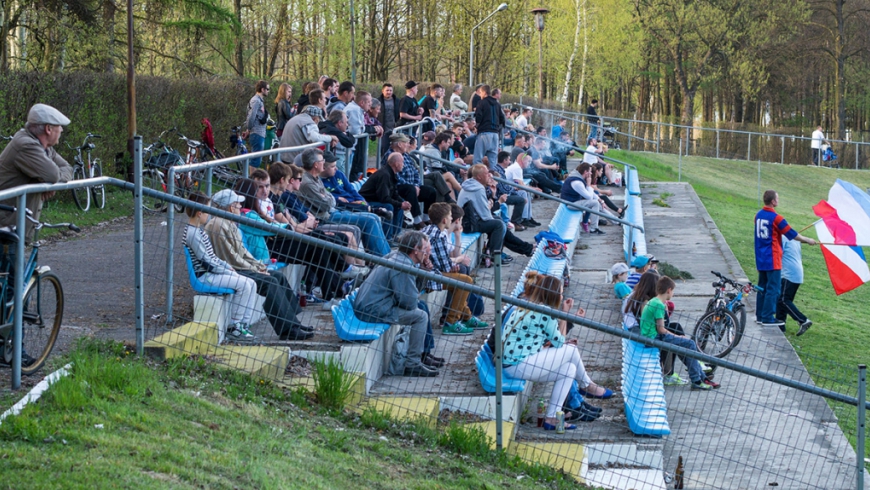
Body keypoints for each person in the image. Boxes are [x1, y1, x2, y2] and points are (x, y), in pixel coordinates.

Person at [501, 274, 612, 429]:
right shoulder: (545, 312)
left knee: (569, 370)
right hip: (518, 365)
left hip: (515, 363)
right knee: (571, 349)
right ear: (553, 294)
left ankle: (552, 418)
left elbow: (554, 341)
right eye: (560, 293)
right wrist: (564, 314)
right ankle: (587, 385)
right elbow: (559, 341)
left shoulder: (529, 305)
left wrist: (563, 316)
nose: (562, 296)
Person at [205, 189, 314, 340]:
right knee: (269, 281)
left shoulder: (229, 223)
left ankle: (293, 323)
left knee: (277, 276)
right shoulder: (218, 225)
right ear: (230, 207)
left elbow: (242, 252)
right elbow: (232, 258)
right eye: (237, 204)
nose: (240, 208)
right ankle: (287, 329)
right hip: (231, 270)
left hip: (238, 267)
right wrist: (255, 269)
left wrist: (258, 266)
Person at [354, 231, 440, 377]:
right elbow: (410, 303)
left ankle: (422, 355)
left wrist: (424, 272)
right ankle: (413, 364)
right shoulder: (402, 266)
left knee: (421, 308)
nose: (427, 253)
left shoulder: (397, 256)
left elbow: (410, 295)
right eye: (425, 249)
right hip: (372, 310)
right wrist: (420, 277)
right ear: (415, 249)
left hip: (371, 304)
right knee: (421, 316)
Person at [183, 192, 258, 343]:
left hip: (213, 272)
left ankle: (244, 324)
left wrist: (227, 266)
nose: (209, 215)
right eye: (208, 211)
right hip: (206, 277)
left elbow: (212, 257)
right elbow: (206, 262)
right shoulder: (193, 234)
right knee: (243, 284)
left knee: (251, 283)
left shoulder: (199, 231)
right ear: (199, 213)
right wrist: (226, 270)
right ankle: (234, 327)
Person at [296, 148, 391, 256]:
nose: (324, 162)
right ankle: (383, 261)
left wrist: (328, 197)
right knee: (369, 220)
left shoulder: (315, 177)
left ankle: (387, 256)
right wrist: (328, 198)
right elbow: (326, 205)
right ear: (316, 165)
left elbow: (330, 198)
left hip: (333, 211)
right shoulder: (307, 183)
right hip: (325, 217)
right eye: (322, 160)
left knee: (374, 217)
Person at [0, 104, 73, 241]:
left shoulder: (44, 147)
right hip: (6, 225)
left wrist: (48, 183)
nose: (61, 130)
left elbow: (67, 167)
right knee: (12, 261)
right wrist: (49, 180)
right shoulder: (27, 145)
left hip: (15, 224)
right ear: (48, 129)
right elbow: (52, 175)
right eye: (59, 126)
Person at [639, 276, 720, 390]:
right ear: (669, 290)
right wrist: (677, 336)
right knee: (690, 343)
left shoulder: (654, 301)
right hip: (654, 338)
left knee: (686, 344)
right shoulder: (659, 305)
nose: (672, 294)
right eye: (673, 291)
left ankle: (701, 377)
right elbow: (661, 330)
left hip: (649, 336)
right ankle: (697, 380)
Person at [421, 203, 488, 334]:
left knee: (461, 279)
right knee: (465, 281)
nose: (452, 219)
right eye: (450, 216)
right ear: (444, 220)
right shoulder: (438, 236)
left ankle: (466, 316)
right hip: (428, 276)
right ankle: (450, 322)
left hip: (432, 272)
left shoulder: (428, 229)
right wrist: (457, 261)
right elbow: (446, 266)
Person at [754, 190, 816, 329]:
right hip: (773, 258)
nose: (778, 200)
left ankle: (760, 316)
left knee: (762, 287)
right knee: (774, 289)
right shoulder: (777, 218)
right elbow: (792, 234)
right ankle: (768, 317)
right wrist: (808, 240)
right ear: (773, 201)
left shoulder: (758, 216)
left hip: (761, 258)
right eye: (777, 198)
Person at [359, 152, 409, 240]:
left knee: (399, 205)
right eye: (402, 162)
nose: (403, 165)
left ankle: (395, 234)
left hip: (376, 200)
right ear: (396, 164)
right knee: (388, 207)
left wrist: (403, 202)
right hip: (366, 202)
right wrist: (400, 204)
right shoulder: (384, 175)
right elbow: (384, 198)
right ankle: (387, 237)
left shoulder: (390, 173)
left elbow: (394, 194)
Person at [776, 236, 813, 336]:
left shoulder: (781, 237)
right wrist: (809, 240)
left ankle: (803, 320)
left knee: (783, 300)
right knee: (782, 300)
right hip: (797, 273)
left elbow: (777, 253)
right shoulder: (793, 237)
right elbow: (803, 239)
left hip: (789, 274)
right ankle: (780, 326)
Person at [346, 91, 382, 181]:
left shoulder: (358, 110)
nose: (370, 105)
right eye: (369, 102)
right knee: (350, 174)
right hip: (350, 148)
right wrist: (372, 129)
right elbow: (356, 130)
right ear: (362, 103)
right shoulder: (355, 110)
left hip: (352, 147)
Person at [561, 163, 605, 235]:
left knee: (594, 203)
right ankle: (593, 228)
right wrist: (588, 185)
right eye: (590, 171)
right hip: (570, 204)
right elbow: (589, 197)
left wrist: (601, 200)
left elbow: (590, 195)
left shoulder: (578, 178)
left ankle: (586, 223)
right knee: (594, 203)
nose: (591, 173)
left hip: (573, 201)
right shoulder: (577, 182)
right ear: (585, 172)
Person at [473, 84, 504, 166]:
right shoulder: (497, 104)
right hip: (495, 135)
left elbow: (478, 117)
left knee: (477, 160)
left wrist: (477, 127)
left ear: (484, 92)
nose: (480, 95)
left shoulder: (481, 102)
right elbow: (502, 119)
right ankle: (493, 178)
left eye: (480, 93)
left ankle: (477, 178)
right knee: (493, 162)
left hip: (484, 133)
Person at [246, 80, 270, 169]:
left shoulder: (260, 101)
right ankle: (253, 182)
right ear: (262, 89)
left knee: (257, 160)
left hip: (259, 133)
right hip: (257, 133)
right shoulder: (256, 101)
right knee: (255, 161)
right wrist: (249, 129)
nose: (268, 91)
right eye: (267, 89)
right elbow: (251, 116)